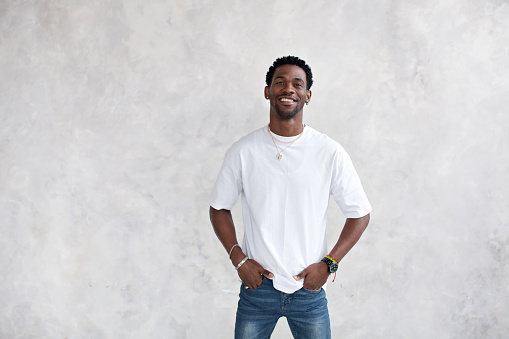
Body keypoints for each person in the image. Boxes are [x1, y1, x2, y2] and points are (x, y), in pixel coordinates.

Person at [209, 56, 372, 338]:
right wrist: (239, 259)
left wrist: (329, 264)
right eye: (280, 82)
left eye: (298, 84)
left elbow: (359, 213)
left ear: (307, 95)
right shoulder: (244, 151)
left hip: (308, 290)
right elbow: (219, 207)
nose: (289, 89)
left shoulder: (328, 152)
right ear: (267, 91)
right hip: (257, 289)